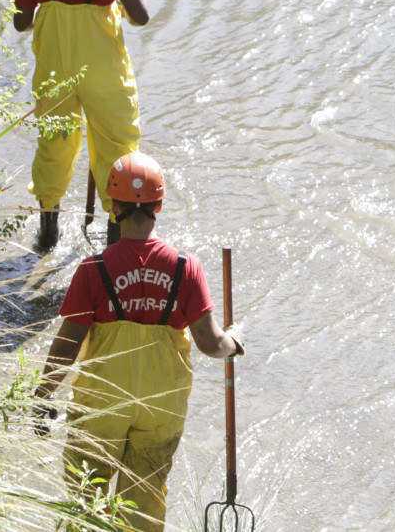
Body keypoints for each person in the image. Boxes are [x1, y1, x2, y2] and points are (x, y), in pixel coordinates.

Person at [33, 152, 244, 532]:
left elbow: (66, 346)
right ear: (158, 205)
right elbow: (210, 343)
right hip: (161, 406)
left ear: (113, 207)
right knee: (143, 500)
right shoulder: (186, 267)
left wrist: (42, 395)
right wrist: (235, 342)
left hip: (102, 403)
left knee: (86, 496)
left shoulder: (93, 269)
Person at [11, 0, 152, 251]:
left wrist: (52, 2)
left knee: (54, 146)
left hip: (55, 71)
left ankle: (47, 237)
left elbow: (21, 22)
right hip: (105, 73)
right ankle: (116, 247)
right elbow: (141, 17)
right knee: (118, 150)